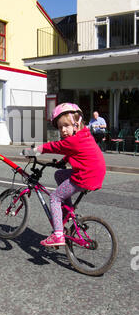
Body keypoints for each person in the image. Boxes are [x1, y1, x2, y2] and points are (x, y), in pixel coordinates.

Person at [23, 103, 106, 248]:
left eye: (66, 125)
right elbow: (73, 151)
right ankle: (67, 210)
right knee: (59, 175)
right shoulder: (84, 135)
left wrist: (33, 151)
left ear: (76, 123)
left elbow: (55, 146)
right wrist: (63, 162)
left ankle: (58, 234)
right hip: (94, 173)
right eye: (60, 127)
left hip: (85, 176)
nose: (63, 130)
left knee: (55, 197)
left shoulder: (73, 141)